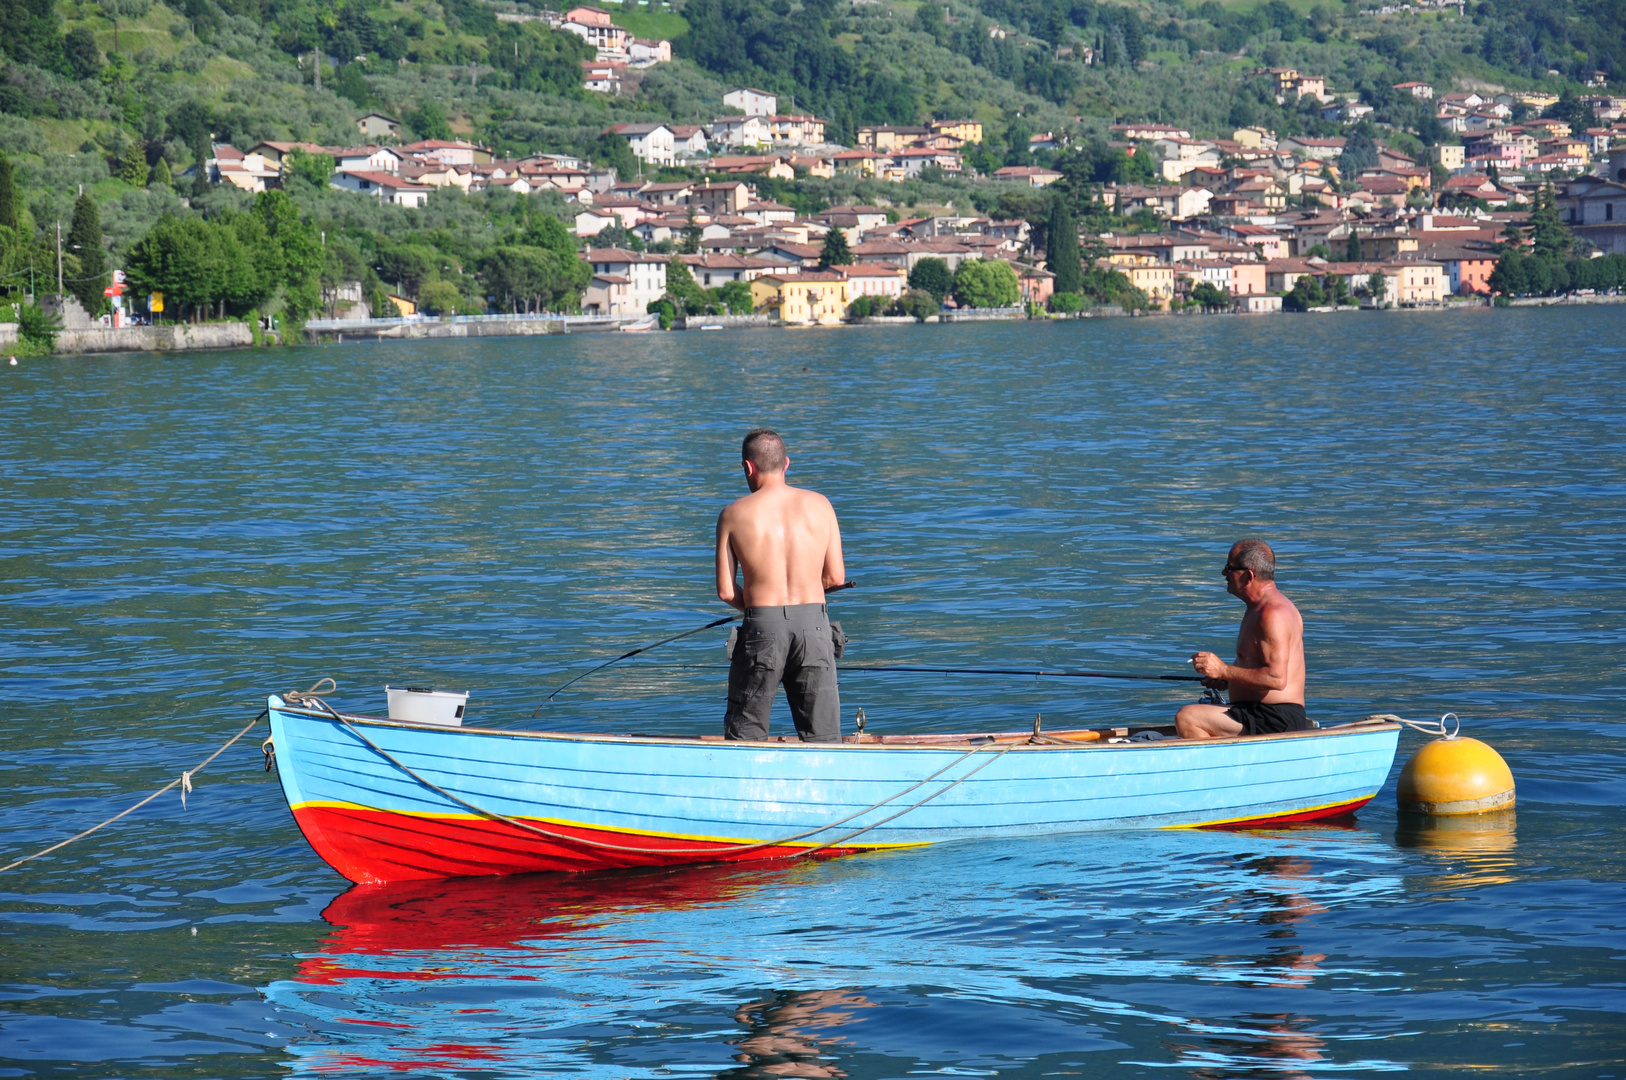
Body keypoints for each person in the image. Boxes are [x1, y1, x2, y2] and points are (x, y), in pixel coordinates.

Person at [716, 429, 846, 742]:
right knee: (823, 735)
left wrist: (762, 605)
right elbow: (836, 578)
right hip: (814, 625)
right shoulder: (821, 505)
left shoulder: (733, 514)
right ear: (786, 463)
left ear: (748, 468)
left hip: (762, 625)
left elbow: (725, 590)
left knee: (746, 731)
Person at [1175, 538, 1311, 738]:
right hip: (1259, 712)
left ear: (1248, 576)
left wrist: (1224, 670)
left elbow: (1276, 678)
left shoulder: (1272, 614)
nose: (1224, 574)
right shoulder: (1260, 608)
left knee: (1187, 717)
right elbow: (1261, 666)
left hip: (1276, 718)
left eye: (1229, 568)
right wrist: (1227, 679)